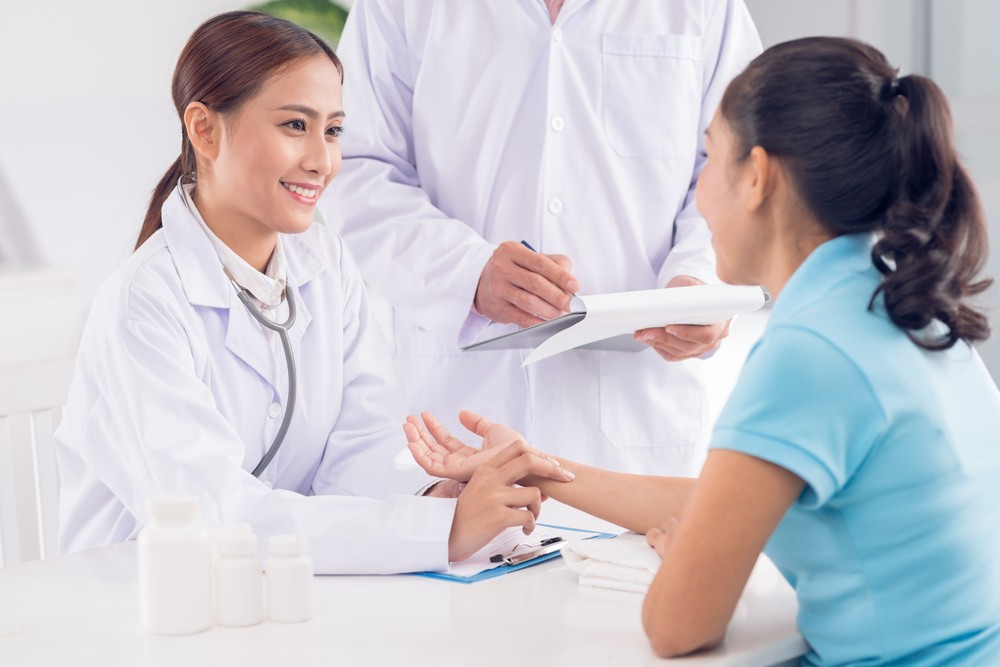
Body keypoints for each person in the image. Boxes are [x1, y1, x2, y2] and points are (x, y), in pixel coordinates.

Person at [405, 37, 1000, 664]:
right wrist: (530, 466)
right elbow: (725, 503)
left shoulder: (811, 354)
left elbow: (676, 627)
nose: (699, 193)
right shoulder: (893, 303)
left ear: (758, 177)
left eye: (709, 156)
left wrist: (686, 562)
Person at [54, 11, 572, 575]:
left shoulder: (325, 266)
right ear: (204, 130)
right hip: (136, 599)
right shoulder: (143, 303)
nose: (322, 161)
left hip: (275, 592)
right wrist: (440, 531)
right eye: (295, 125)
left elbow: (358, 449)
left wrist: (439, 496)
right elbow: (211, 515)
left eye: (333, 131)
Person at [321, 0, 762, 475]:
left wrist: (699, 282)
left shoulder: (708, 8)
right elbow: (358, 167)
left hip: (638, 420)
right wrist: (467, 273)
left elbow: (742, 165)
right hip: (460, 417)